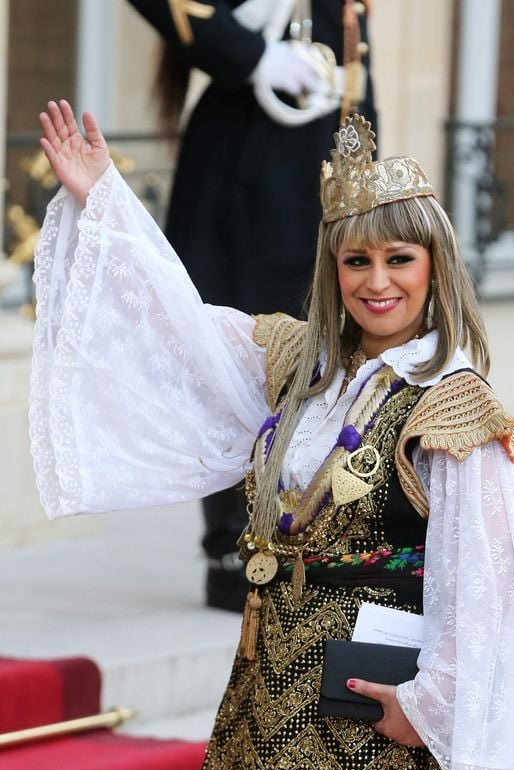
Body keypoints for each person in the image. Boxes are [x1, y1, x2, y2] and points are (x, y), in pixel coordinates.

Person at [32, 101, 514, 770]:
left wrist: (429, 705)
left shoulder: (452, 402)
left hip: (378, 712)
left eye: (399, 258)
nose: (377, 282)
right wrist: (103, 195)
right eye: (356, 260)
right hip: (271, 691)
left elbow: (489, 585)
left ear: (435, 265)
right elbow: (181, 325)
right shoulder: (303, 366)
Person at [126, 0, 377, 612]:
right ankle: (236, 549)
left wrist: (369, 178)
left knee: (323, 354)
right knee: (242, 350)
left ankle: (301, 532)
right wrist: (252, 54)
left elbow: (354, 56)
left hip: (323, 153)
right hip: (245, 162)